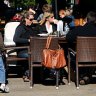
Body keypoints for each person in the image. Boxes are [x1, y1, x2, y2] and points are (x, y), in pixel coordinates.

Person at [66, 11, 96, 85]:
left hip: (80, 56)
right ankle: (86, 74)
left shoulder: (79, 29)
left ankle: (79, 75)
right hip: (94, 57)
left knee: (67, 52)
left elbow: (68, 38)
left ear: (86, 19)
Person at [13, 11, 39, 81]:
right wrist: (27, 40)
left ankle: (39, 74)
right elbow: (15, 39)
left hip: (31, 49)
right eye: (30, 19)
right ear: (25, 19)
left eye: (33, 19)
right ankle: (27, 73)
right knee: (32, 55)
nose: (32, 21)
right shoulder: (20, 27)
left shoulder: (31, 27)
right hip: (22, 50)